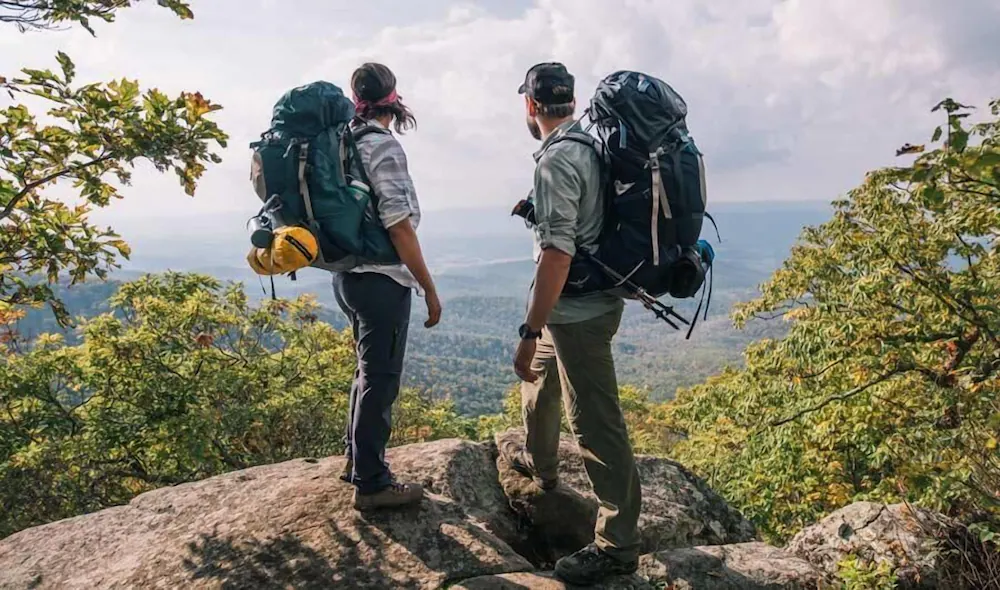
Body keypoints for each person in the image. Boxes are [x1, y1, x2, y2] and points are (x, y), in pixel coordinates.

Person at [501, 62, 642, 585]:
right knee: (537, 379)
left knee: (596, 423)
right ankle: (543, 470)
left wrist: (529, 329)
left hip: (577, 310)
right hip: (588, 299)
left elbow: (558, 253)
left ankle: (616, 546)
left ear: (531, 106)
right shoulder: (592, 145)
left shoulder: (558, 160)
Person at [333, 62, 442, 510]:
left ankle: (355, 461)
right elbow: (398, 223)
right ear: (393, 97)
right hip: (381, 278)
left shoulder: (343, 142)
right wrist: (428, 287)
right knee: (381, 379)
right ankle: (373, 484)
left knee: (366, 372)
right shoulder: (383, 147)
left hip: (348, 276)